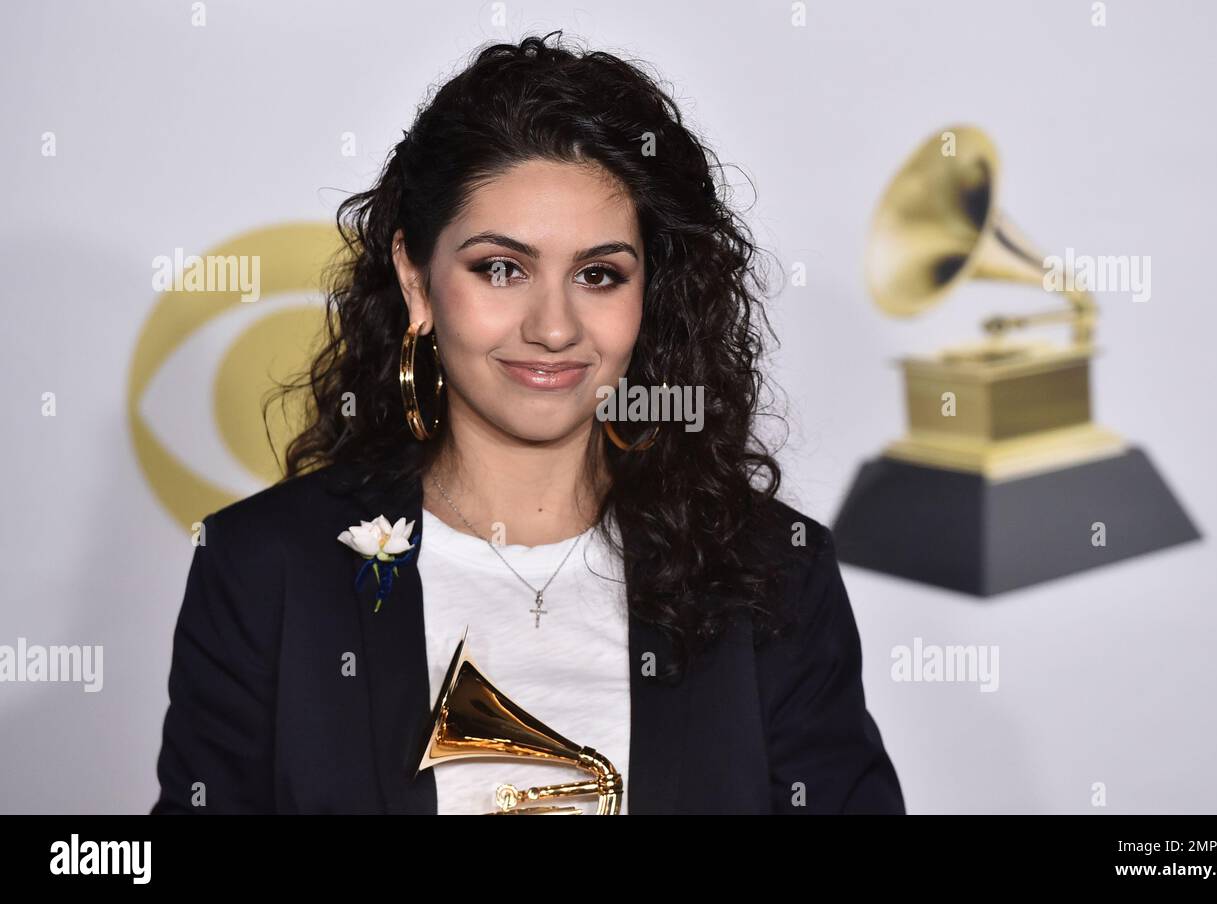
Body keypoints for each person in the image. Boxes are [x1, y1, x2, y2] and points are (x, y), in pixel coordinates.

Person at [150, 31, 904, 815]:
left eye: (599, 274)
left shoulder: (773, 575)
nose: (553, 327)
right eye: (501, 269)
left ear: (649, 298)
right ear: (417, 281)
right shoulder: (264, 568)